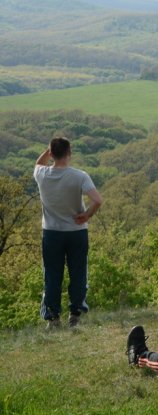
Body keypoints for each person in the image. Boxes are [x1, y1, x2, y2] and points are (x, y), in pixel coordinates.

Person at [33, 137, 104, 329]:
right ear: (69, 153)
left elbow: (38, 163)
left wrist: (48, 151)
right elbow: (97, 200)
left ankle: (53, 318)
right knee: (78, 273)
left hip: (51, 232)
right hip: (76, 232)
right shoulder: (79, 176)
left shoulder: (41, 174)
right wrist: (87, 214)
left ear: (51, 153)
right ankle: (75, 314)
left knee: (52, 275)